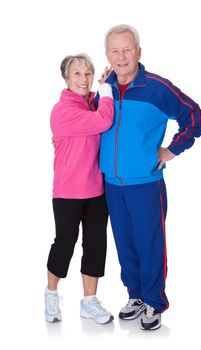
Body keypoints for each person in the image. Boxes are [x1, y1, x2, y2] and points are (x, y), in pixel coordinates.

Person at [99, 24, 201, 330]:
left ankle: (155, 302)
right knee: (125, 243)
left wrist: (172, 150)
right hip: (111, 184)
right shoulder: (104, 87)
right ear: (107, 54)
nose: (121, 57)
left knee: (149, 245)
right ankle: (135, 296)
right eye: (115, 51)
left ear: (139, 52)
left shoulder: (157, 88)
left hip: (145, 184)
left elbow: (194, 117)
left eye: (127, 49)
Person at [45, 53, 114, 325]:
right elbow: (104, 121)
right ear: (66, 79)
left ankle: (89, 302)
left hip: (96, 189)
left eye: (88, 73)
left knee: (96, 244)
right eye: (77, 74)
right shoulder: (62, 111)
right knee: (65, 243)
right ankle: (51, 294)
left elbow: (99, 115)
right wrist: (106, 89)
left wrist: (103, 89)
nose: (84, 79)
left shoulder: (90, 105)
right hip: (67, 193)